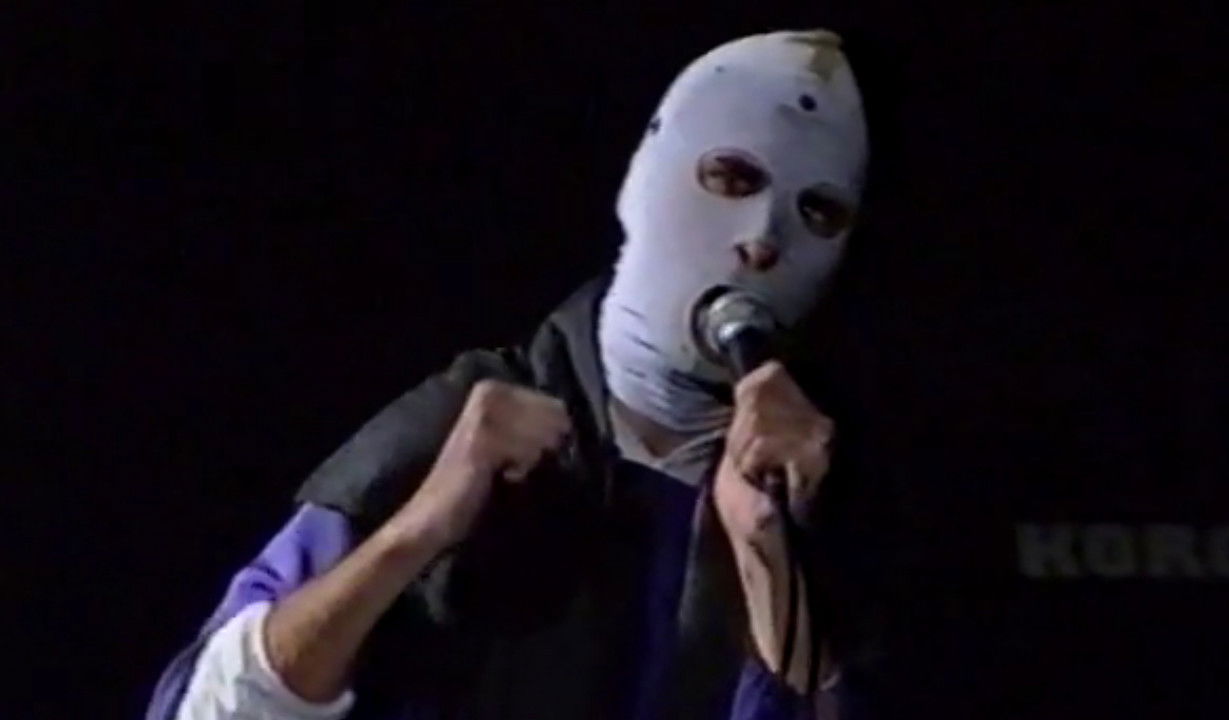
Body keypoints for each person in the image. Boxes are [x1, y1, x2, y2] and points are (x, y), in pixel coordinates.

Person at [146, 27, 874, 720]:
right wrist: (418, 530)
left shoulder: (803, 492)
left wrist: (769, 555)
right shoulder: (459, 428)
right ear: (650, 183)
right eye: (733, 177)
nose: (763, 240)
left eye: (818, 212)